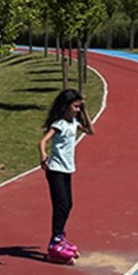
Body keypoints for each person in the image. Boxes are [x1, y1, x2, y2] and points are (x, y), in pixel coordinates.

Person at [38, 88, 95, 262]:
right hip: (55, 170)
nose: (77, 109)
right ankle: (54, 242)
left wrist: (84, 110)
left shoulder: (74, 122)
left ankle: (60, 237)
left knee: (68, 204)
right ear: (66, 106)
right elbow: (42, 141)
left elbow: (91, 131)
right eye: (75, 106)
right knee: (61, 205)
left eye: (79, 107)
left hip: (67, 169)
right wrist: (43, 156)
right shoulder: (60, 124)